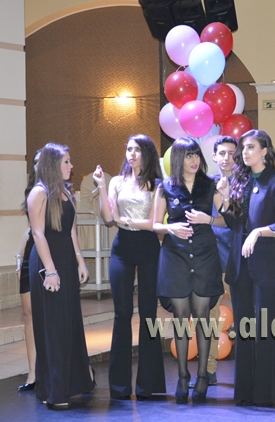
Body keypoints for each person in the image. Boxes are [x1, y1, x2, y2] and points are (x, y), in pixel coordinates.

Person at [218, 129, 275, 407]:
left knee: (265, 329)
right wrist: (225, 200)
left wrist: (259, 232)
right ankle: (245, 392)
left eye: (250, 147)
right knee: (244, 329)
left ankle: (264, 393)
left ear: (264, 151)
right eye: (243, 148)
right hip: (240, 265)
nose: (245, 153)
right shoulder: (240, 180)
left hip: (267, 265)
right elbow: (234, 223)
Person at [92, 134, 166, 400]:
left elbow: (155, 223)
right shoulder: (117, 181)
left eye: (137, 150)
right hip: (122, 247)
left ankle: (148, 385)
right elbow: (108, 218)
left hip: (148, 247)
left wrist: (126, 220)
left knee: (148, 315)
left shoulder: (158, 184)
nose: (131, 154)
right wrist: (102, 186)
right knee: (122, 314)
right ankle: (119, 387)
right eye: (129, 149)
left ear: (147, 153)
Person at [153, 137, 226, 404]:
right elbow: (154, 224)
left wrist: (210, 218)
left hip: (205, 255)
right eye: (188, 156)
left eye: (196, 155)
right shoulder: (165, 187)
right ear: (177, 159)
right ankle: (183, 376)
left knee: (203, 317)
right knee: (181, 317)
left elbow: (228, 219)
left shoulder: (210, 184)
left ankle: (203, 375)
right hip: (176, 256)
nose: (194, 160)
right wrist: (170, 227)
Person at [27, 143, 95, 407]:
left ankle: (72, 384)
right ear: (53, 164)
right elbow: (38, 233)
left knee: (68, 323)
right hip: (48, 263)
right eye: (66, 161)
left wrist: (80, 262)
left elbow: (71, 231)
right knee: (53, 327)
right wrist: (51, 270)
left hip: (66, 261)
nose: (71, 166)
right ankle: (53, 391)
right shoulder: (39, 192)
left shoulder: (66, 192)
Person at [189, 135, 237, 388]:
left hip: (240, 256)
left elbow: (237, 221)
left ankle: (252, 372)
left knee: (249, 315)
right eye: (222, 153)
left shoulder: (247, 183)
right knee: (209, 315)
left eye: (232, 153)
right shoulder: (206, 185)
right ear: (215, 156)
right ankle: (207, 370)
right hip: (212, 257)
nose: (227, 158)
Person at [15, 149, 41, 392]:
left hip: (51, 254)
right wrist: (20, 255)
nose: (37, 166)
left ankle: (73, 369)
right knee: (28, 314)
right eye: (35, 162)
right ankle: (33, 373)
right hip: (31, 253)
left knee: (54, 316)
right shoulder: (31, 191)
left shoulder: (59, 192)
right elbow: (31, 230)